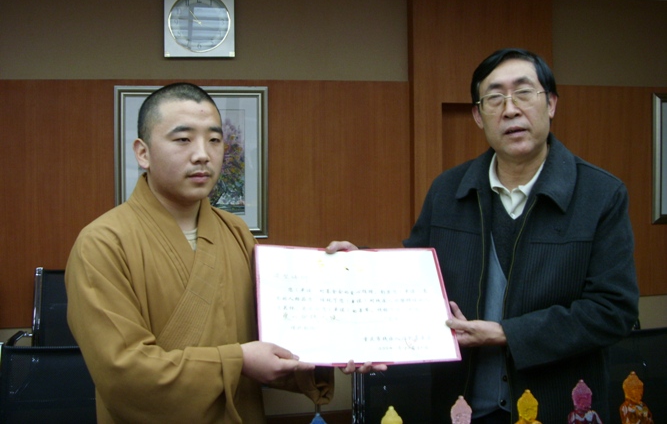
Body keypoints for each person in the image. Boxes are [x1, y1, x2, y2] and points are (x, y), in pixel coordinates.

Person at [327, 48, 639, 423]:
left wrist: (508, 333)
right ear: (478, 115)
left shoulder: (600, 194)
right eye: (494, 98)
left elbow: (613, 311)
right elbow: (413, 282)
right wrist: (358, 270)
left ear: (551, 104)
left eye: (523, 92)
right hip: (461, 406)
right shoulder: (448, 190)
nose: (510, 109)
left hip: (558, 405)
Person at [66, 83, 375, 423]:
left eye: (214, 140)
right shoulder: (103, 243)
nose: (202, 154)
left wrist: (340, 301)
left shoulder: (236, 233)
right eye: (183, 139)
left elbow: (276, 335)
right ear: (143, 153)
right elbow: (122, 375)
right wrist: (237, 361)